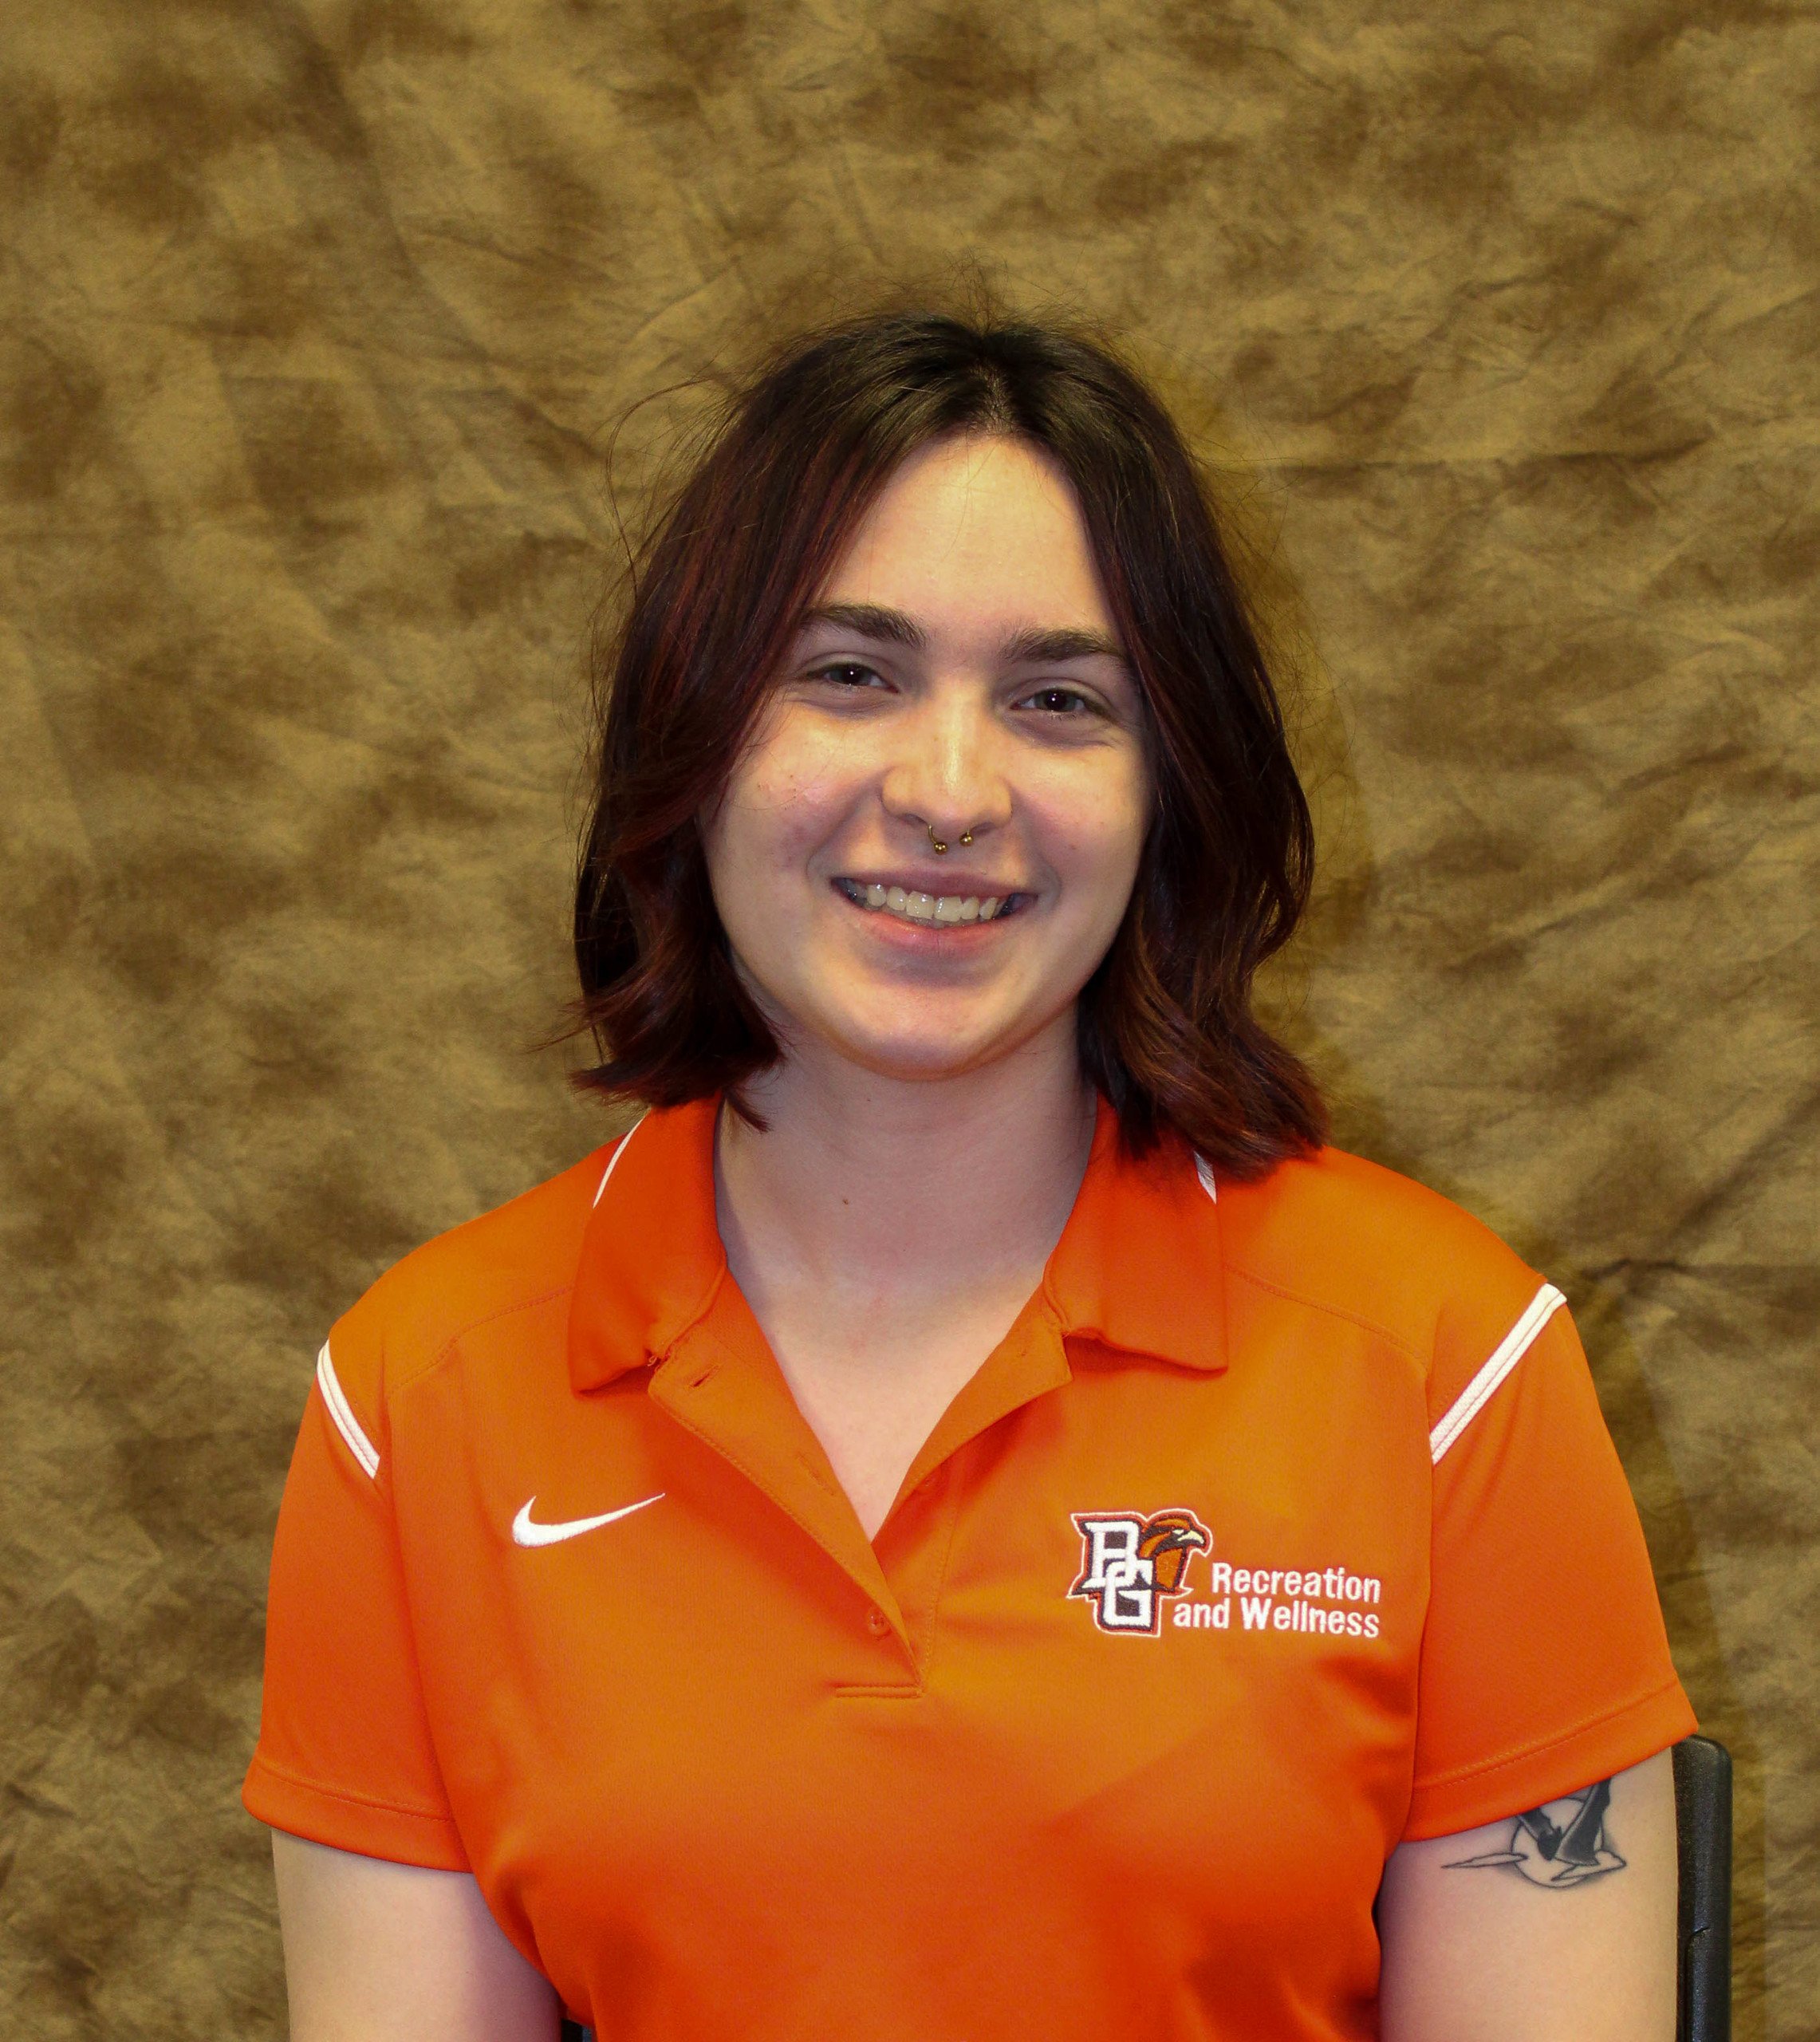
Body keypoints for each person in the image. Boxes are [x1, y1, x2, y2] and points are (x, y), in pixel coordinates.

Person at [245, 309, 1696, 2042]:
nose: (947, 791)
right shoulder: (413, 1397)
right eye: (848, 674)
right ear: (693, 736)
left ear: (1171, 788)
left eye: (1059, 701)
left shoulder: (1450, 1365)